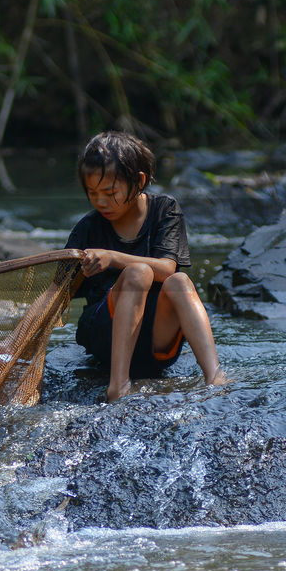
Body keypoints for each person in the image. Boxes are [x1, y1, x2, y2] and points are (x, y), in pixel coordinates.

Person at [64, 130, 226, 401]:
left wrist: (112, 257)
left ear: (138, 181)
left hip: (155, 346)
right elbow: (56, 293)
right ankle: (118, 385)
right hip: (107, 338)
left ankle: (215, 376)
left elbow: (167, 268)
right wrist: (11, 343)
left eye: (110, 192)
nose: (101, 201)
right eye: (92, 193)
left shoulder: (165, 210)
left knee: (180, 282)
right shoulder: (88, 228)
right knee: (138, 273)